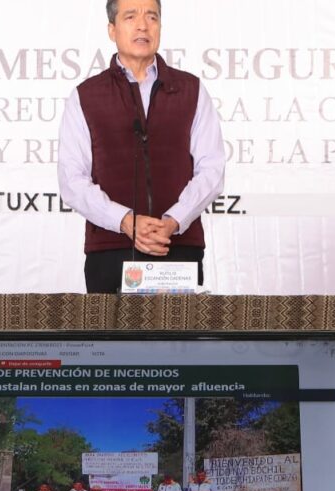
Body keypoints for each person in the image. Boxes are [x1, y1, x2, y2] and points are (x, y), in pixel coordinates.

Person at [57, 0, 226, 293]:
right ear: (112, 29)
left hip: (176, 246)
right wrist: (125, 221)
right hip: (110, 249)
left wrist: (174, 220)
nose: (142, 25)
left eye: (152, 17)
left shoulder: (191, 90)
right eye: (130, 16)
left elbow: (212, 169)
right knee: (111, 339)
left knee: (175, 339)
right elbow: (72, 180)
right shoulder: (86, 96)